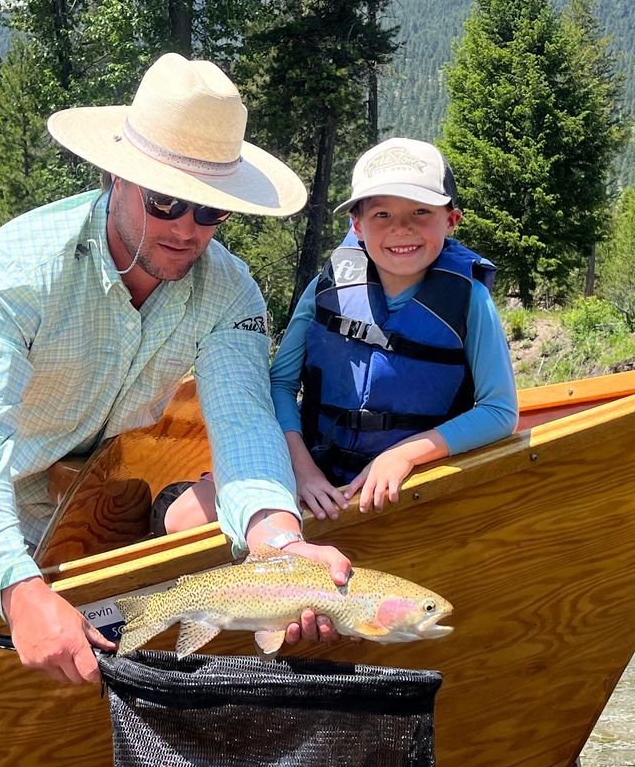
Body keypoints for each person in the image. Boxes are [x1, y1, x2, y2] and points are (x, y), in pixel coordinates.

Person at [0, 53, 353, 686]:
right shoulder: (14, 270)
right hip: (1, 506)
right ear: (115, 177)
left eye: (211, 211)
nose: (188, 230)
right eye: (166, 202)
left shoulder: (232, 293)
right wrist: (18, 590)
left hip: (108, 499)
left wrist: (280, 547)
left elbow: (243, 426)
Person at [167, 138, 516, 531]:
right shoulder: (326, 288)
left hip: (412, 477)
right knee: (182, 519)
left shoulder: (470, 300)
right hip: (313, 464)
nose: (402, 229)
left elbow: (499, 412)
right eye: (382, 214)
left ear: (451, 221)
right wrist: (300, 468)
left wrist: (402, 456)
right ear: (357, 225)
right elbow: (280, 384)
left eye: (421, 211)